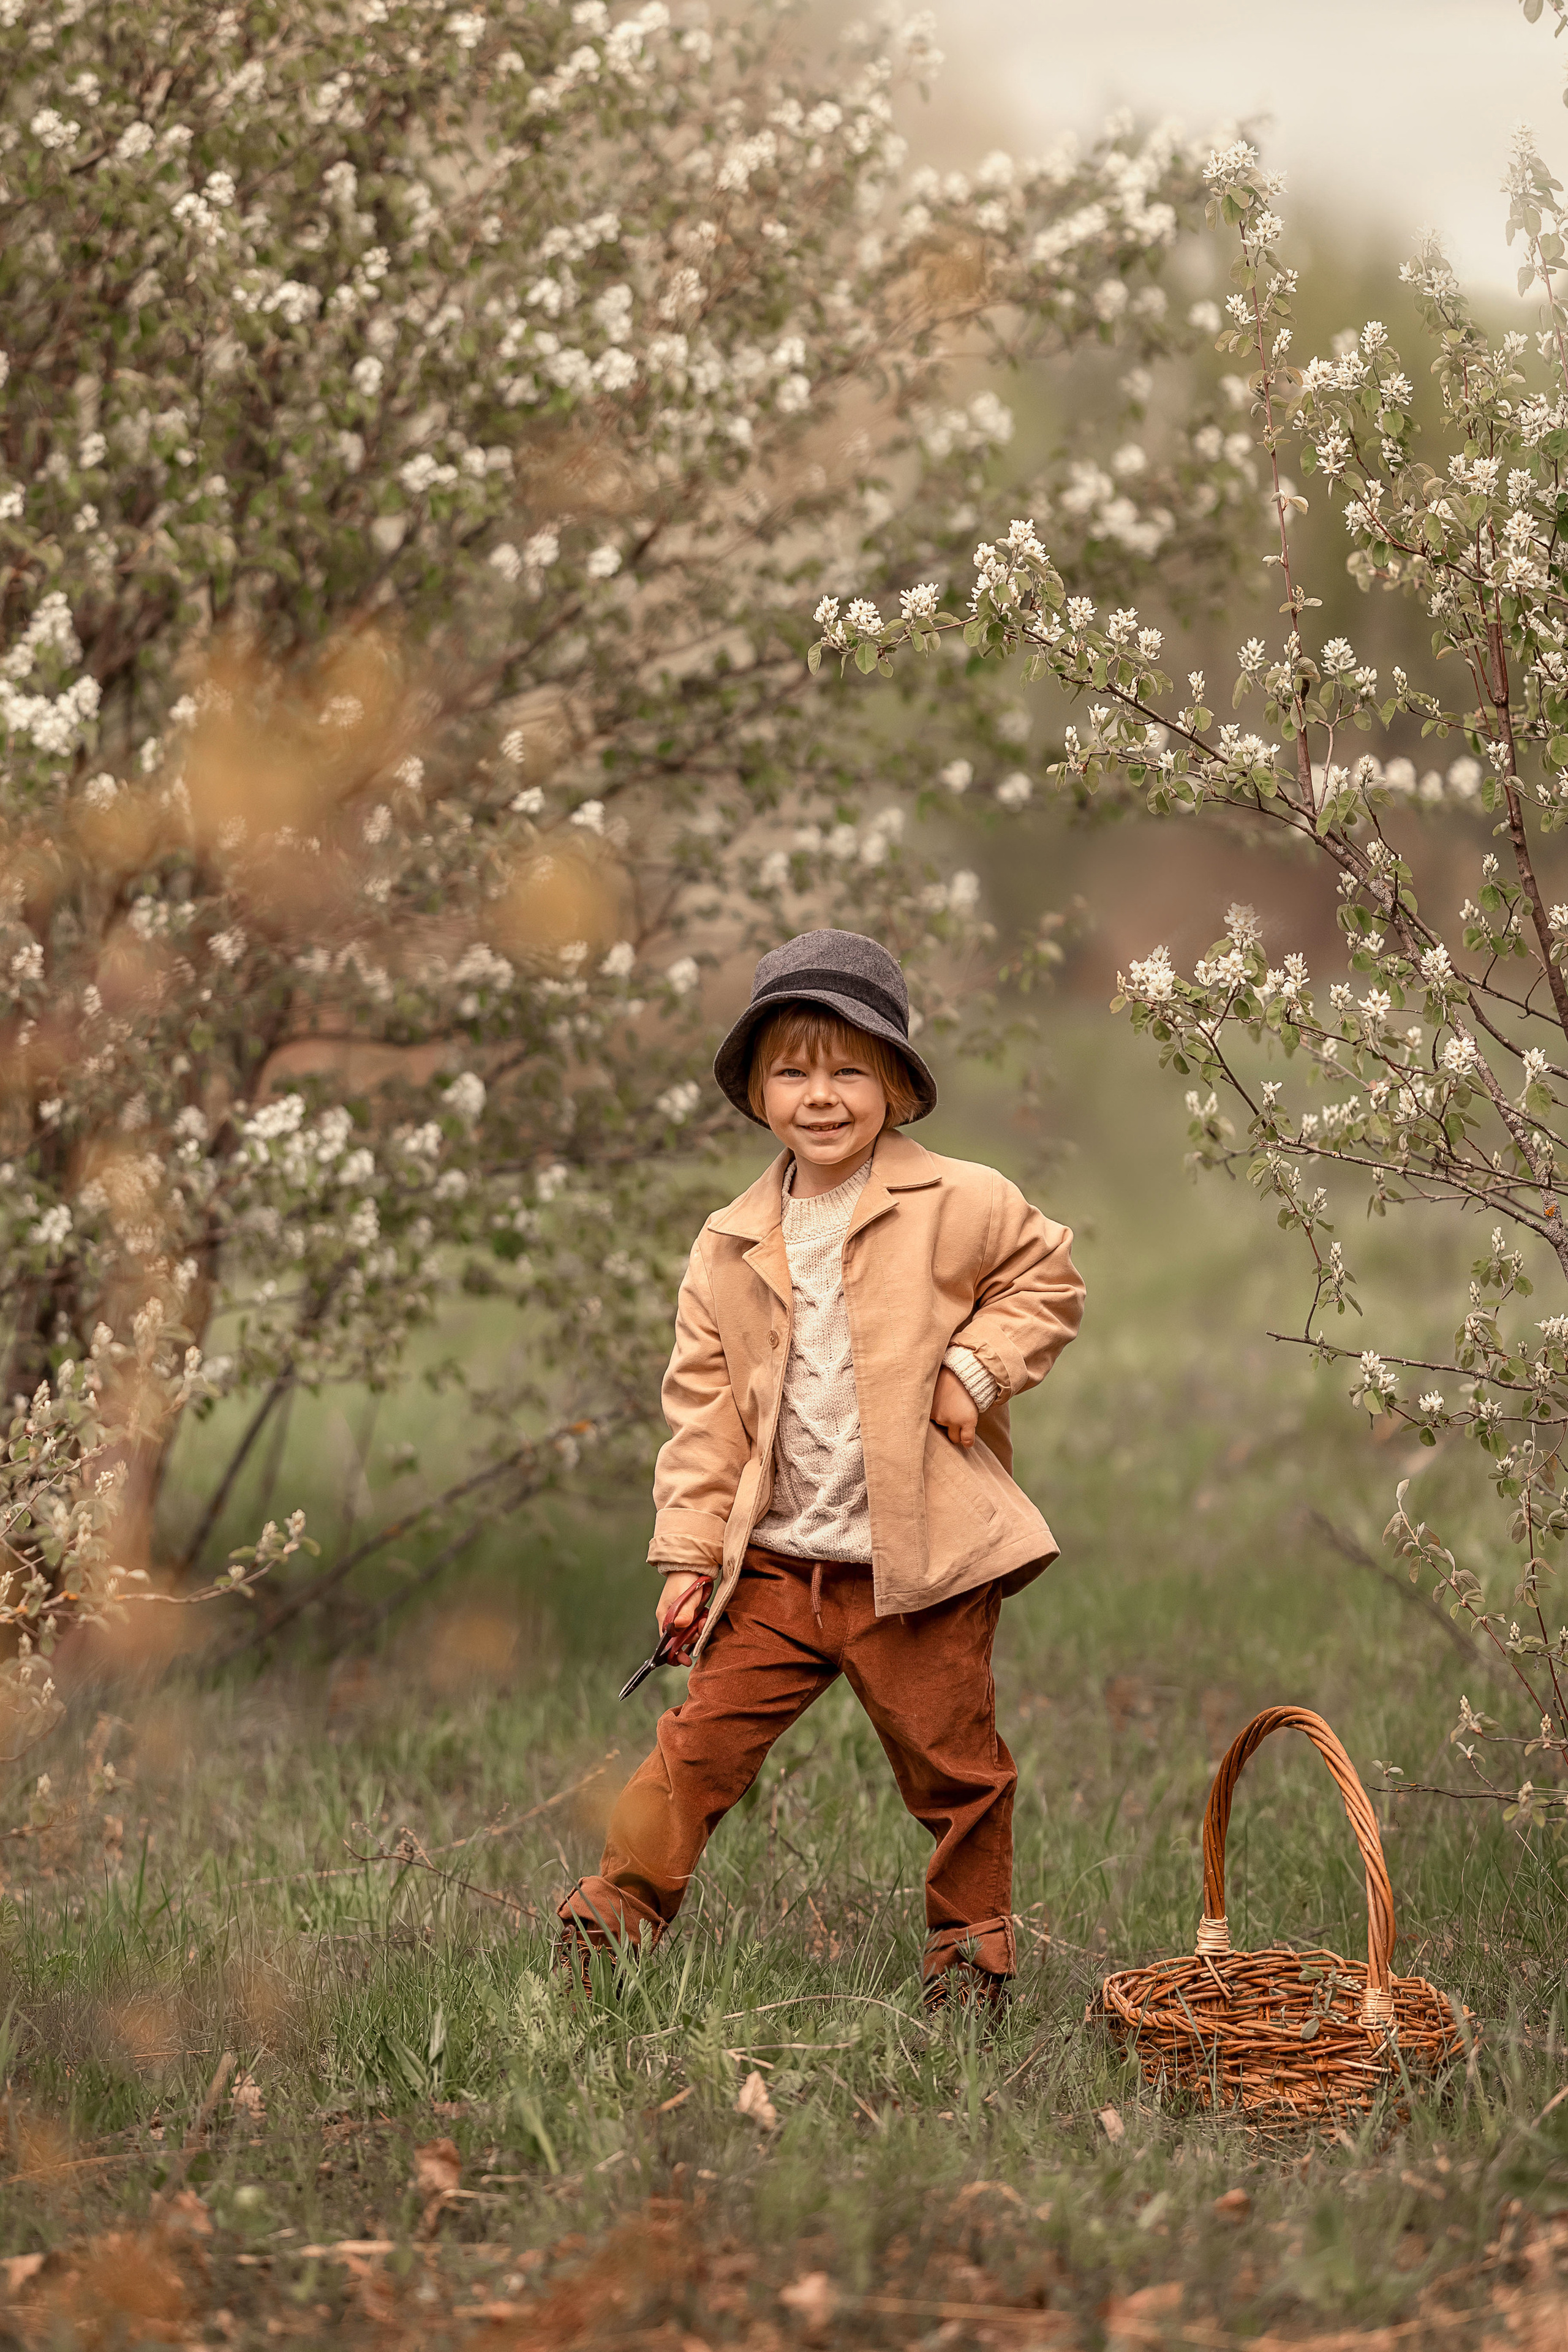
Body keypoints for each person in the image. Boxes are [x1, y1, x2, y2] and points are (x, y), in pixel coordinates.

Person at [558, 927, 1085, 2004]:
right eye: (792, 1070)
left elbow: (1049, 1277)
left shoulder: (963, 1200)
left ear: (896, 1081)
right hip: (780, 1571)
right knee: (693, 1751)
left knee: (958, 1773)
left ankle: (969, 1964)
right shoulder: (729, 1242)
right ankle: (613, 1920)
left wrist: (977, 1372)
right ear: (756, 1091)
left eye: (850, 1067)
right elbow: (705, 1418)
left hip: (918, 1572)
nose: (823, 1094)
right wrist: (691, 1558)